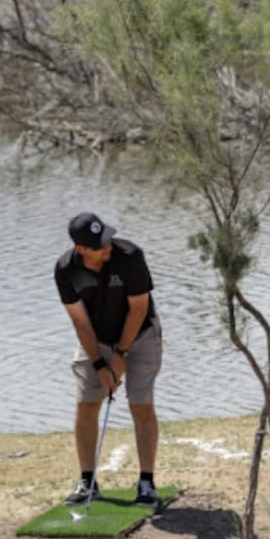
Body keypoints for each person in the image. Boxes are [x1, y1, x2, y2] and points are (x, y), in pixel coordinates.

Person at [54, 212, 163, 507]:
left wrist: (121, 356)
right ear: (81, 249)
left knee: (141, 406)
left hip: (139, 335)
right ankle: (87, 482)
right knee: (87, 404)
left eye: (106, 238)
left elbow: (138, 310)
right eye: (99, 245)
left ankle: (146, 483)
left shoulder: (130, 257)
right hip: (96, 339)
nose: (108, 246)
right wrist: (101, 364)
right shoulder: (66, 270)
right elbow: (81, 323)